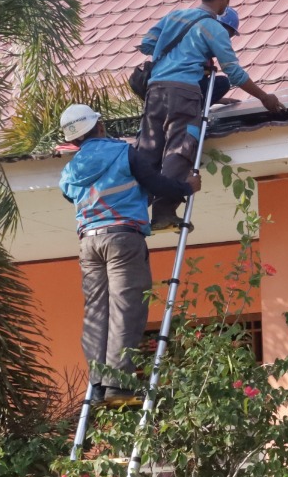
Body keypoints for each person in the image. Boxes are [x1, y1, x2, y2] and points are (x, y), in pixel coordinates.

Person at [59, 103, 201, 407]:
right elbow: (156, 183)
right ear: (99, 127)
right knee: (126, 310)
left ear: (74, 140)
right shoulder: (123, 152)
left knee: (97, 312)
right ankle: (119, 385)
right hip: (123, 239)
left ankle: (98, 385)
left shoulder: (71, 168)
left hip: (88, 243)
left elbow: (68, 192)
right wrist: (185, 187)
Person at [137, 0, 285, 229]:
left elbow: (147, 44)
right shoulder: (213, 29)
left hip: (154, 91)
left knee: (148, 152)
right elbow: (234, 73)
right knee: (179, 150)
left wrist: (179, 54)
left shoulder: (174, 17)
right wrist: (264, 97)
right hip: (183, 94)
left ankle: (133, 211)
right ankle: (162, 213)